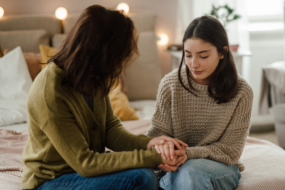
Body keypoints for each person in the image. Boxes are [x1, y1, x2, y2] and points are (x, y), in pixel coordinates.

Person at [21, 5, 187, 190]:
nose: (120, 64)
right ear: (102, 53)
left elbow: (110, 129)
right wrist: (153, 157)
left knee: (151, 174)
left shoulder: (94, 77)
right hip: (50, 180)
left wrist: (149, 144)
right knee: (141, 178)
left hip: (82, 173)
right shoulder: (49, 92)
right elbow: (86, 163)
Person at [147, 15, 254, 190]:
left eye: (203, 56)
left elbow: (231, 150)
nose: (193, 64)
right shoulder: (170, 84)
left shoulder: (242, 91)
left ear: (222, 53)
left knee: (190, 172)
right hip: (176, 165)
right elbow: (156, 137)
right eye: (188, 55)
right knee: (179, 173)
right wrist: (164, 149)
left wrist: (189, 154)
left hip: (220, 166)